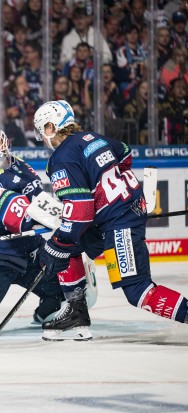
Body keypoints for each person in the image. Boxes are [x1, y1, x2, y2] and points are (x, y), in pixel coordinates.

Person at [33, 100, 188, 341]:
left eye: (42, 130)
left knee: (137, 290)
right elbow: (124, 152)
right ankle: (77, 312)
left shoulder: (61, 158)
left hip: (120, 223)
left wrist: (58, 243)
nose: (42, 137)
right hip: (120, 214)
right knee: (69, 247)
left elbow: (80, 211)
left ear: (51, 127)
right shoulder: (94, 138)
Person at [0, 126, 67, 324]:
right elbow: (14, 216)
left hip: (32, 253)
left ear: (5, 142)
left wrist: (60, 216)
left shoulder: (22, 167)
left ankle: (45, 313)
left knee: (66, 290)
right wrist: (38, 219)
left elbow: (41, 200)